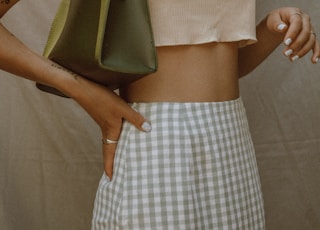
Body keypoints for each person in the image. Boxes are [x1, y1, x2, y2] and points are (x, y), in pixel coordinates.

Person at [0, 0, 319, 229]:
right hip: (158, 143)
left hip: (232, 143)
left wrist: (270, 28)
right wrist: (80, 89)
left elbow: (217, 66)